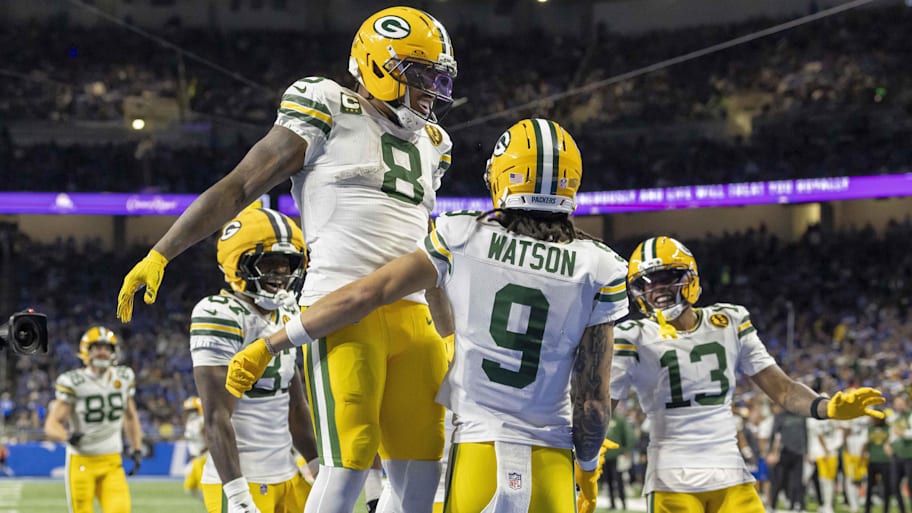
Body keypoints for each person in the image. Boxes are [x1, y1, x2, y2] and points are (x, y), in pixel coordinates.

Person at [116, 6, 458, 513]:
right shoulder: (326, 105)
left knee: (423, 475)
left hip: (414, 317)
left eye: (439, 78)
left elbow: (424, 245)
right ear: (379, 66)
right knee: (346, 464)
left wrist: (450, 330)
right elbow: (240, 186)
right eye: (421, 75)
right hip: (340, 310)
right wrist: (162, 251)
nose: (432, 90)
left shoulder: (435, 144)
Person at [224, 118, 630, 512]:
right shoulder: (600, 267)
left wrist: (272, 342)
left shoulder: (463, 235)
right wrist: (589, 468)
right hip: (551, 462)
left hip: (478, 455)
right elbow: (592, 403)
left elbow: (368, 293)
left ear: (501, 177)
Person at [610, 235, 886, 513]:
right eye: (646, 283)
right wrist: (589, 446)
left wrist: (824, 407)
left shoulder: (728, 321)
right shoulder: (632, 335)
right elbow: (603, 403)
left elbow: (784, 390)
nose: (656, 290)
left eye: (665, 278)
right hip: (670, 478)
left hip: (730, 473)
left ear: (689, 277)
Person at [191, 207, 318, 513]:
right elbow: (216, 415)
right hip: (243, 478)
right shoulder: (220, 313)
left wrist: (317, 464)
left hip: (288, 472)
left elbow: (295, 405)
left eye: (287, 263)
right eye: (269, 262)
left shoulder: (288, 313)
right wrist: (236, 495)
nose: (281, 273)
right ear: (238, 264)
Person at [44, 326, 144, 513]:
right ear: (86, 350)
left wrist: (136, 447)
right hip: (82, 461)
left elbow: (130, 416)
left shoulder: (123, 377)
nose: (103, 352)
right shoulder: (74, 382)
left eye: (107, 348)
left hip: (112, 461)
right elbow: (51, 424)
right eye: (97, 347)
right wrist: (66, 437)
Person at [182, 396, 207, 501]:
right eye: (189, 410)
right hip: (196, 458)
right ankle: (207, 503)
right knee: (189, 487)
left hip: (204, 458)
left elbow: (211, 440)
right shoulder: (190, 423)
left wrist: (199, 452)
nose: (190, 413)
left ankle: (211, 506)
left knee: (203, 488)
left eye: (193, 410)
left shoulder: (202, 421)